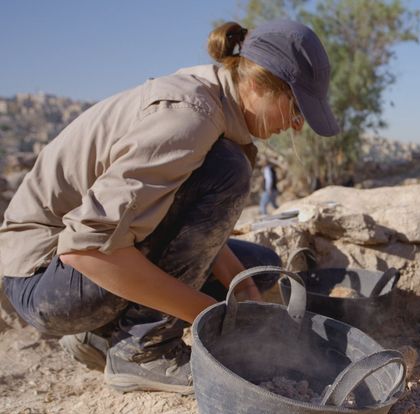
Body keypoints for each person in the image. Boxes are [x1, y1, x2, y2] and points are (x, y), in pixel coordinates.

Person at [0, 19, 339, 394]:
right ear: (257, 85)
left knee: (256, 272)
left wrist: (242, 298)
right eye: (295, 109)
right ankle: (143, 350)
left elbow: (180, 223)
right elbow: (85, 248)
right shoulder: (190, 116)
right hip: (43, 277)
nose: (297, 126)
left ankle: (98, 338)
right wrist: (215, 318)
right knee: (228, 170)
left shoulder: (219, 105)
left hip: (75, 266)